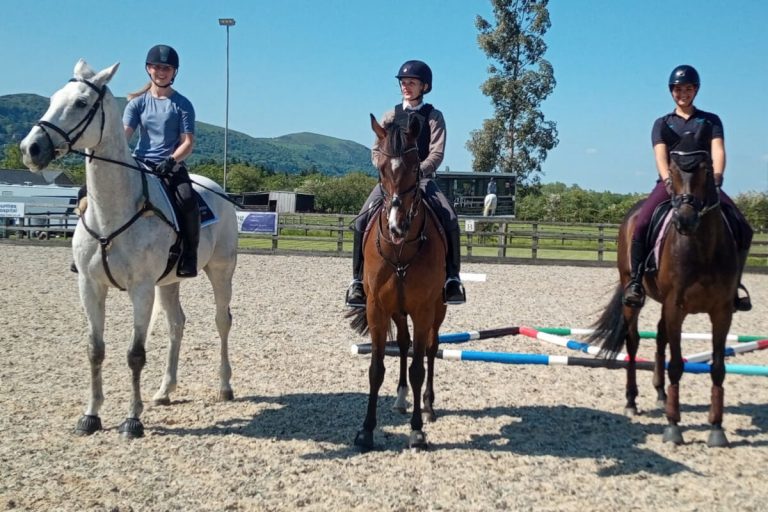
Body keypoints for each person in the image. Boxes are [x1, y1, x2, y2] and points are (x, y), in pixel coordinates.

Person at [623, 64, 752, 311]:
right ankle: (637, 282)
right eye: (678, 89)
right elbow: (660, 156)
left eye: (688, 89)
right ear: (672, 91)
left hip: (704, 184)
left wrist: (717, 175)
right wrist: (668, 181)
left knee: (743, 226)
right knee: (641, 224)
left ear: (696, 90)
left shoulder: (710, 120)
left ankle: (734, 284)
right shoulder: (663, 123)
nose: (683, 93)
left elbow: (718, 149)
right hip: (672, 183)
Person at [345, 60, 466, 307]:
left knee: (450, 218)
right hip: (390, 182)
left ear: (424, 86)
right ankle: (357, 281)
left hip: (422, 181)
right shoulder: (390, 116)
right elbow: (376, 150)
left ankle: (452, 279)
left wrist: (416, 172)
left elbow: (437, 153)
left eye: (411, 83)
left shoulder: (434, 116)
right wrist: (388, 170)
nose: (406, 87)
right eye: (403, 82)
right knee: (360, 220)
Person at [123, 44, 200, 278]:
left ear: (174, 72)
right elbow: (124, 134)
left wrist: (171, 161)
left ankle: (189, 255)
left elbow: (188, 143)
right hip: (141, 163)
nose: (161, 71)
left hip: (169, 166)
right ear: (148, 69)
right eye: (157, 66)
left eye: (166, 68)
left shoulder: (182, 105)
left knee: (188, 201)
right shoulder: (137, 104)